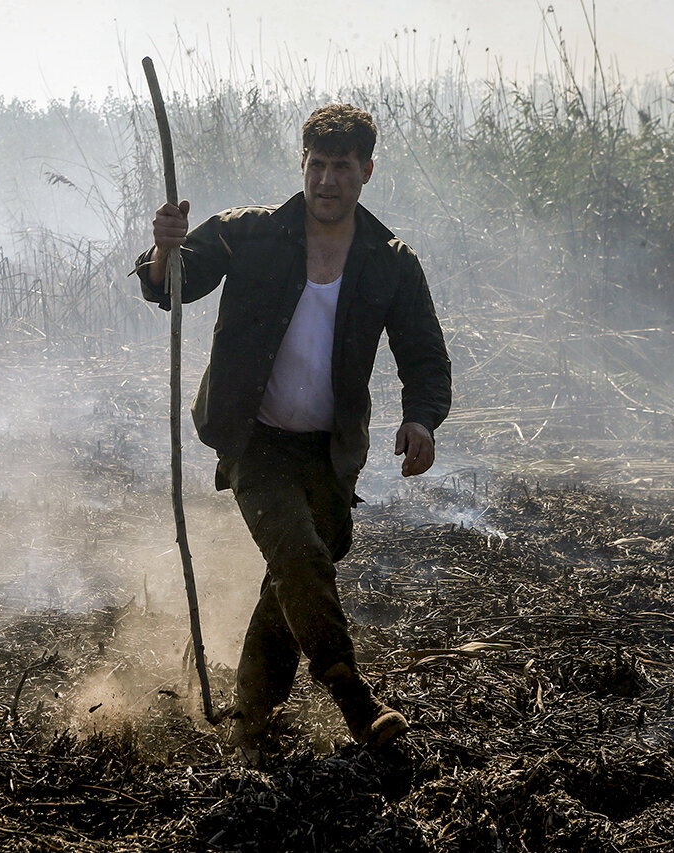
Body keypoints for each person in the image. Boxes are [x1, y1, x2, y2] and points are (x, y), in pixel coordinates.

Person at [134, 103, 451, 761]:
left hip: (331, 454)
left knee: (295, 574)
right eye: (317, 165)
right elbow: (170, 287)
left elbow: (424, 353)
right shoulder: (248, 235)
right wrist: (163, 249)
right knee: (300, 557)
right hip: (254, 439)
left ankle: (253, 715)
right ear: (302, 166)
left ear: (365, 171)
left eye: (342, 167)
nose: (327, 180)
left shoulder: (390, 260)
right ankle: (354, 699)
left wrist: (420, 417)